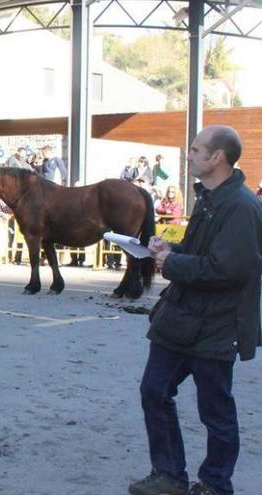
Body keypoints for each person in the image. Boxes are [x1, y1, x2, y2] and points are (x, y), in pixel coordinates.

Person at [130, 125, 261, 495]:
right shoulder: (209, 199)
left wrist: (170, 263)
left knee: (216, 413)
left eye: (194, 149)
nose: (188, 155)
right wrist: (164, 249)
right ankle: (169, 475)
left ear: (216, 157)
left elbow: (226, 270)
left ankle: (216, 484)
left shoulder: (241, 207)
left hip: (218, 326)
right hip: (181, 319)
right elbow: (197, 252)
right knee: (154, 391)